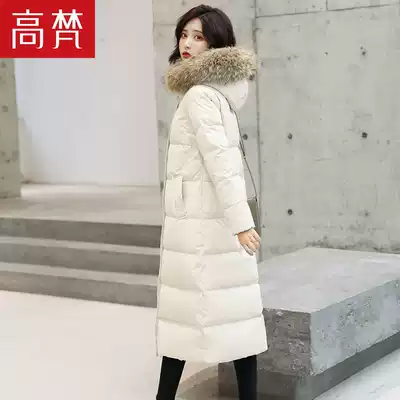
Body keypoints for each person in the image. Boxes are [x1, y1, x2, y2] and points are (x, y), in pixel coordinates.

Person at [156, 5, 268, 399]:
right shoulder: (215, 92)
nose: (187, 43)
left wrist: (241, 223)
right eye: (184, 34)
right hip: (215, 220)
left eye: (198, 36)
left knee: (185, 322)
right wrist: (238, 221)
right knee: (235, 319)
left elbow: (222, 163)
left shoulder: (200, 95)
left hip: (202, 224)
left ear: (216, 43)